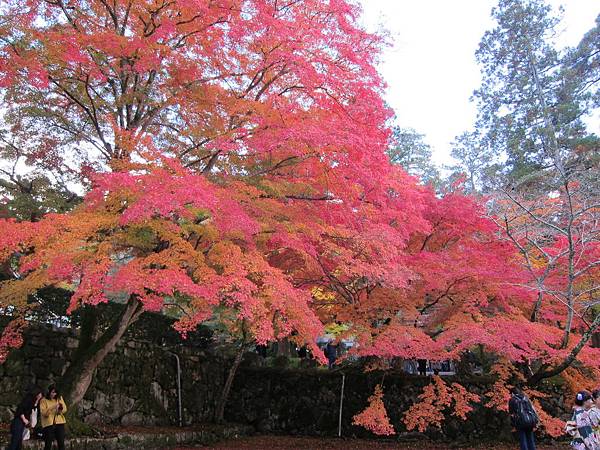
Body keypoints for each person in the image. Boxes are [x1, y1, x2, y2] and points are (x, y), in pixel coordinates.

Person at [40, 385, 67, 450]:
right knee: (48, 444)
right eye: (52, 392)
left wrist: (60, 409)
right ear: (49, 392)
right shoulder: (44, 400)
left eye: (55, 393)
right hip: (49, 424)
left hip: (59, 423)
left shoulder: (59, 398)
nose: (54, 394)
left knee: (61, 443)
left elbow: (65, 409)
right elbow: (44, 413)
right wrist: (53, 407)